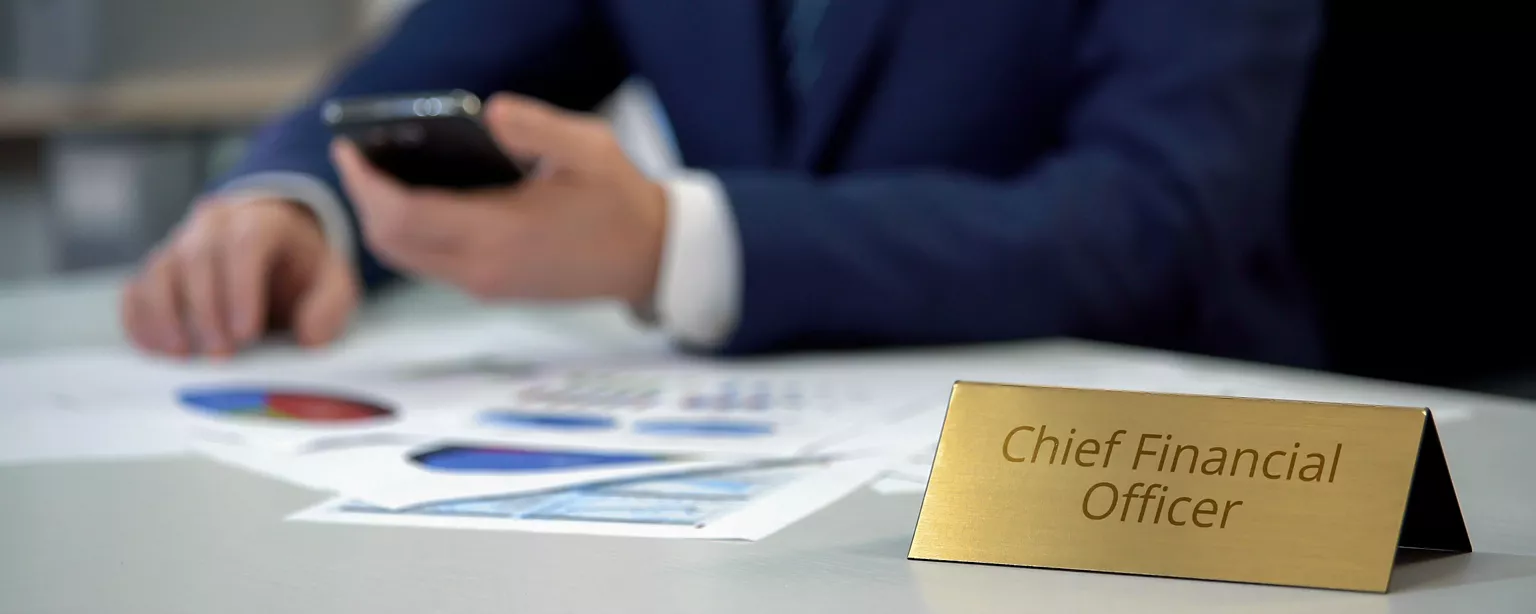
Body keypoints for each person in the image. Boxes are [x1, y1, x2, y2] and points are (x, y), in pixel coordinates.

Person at [119, 0, 1324, 366]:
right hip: (776, 484)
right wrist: (290, 203)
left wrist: (678, 243)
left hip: (1162, 469)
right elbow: (428, 72)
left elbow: (1157, 215)